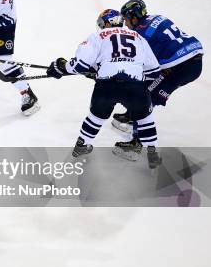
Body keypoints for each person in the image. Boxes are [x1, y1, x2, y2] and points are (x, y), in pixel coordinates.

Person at [46, 9, 162, 168]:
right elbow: (154, 71)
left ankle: (81, 145)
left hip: (106, 85)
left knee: (96, 116)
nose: (101, 27)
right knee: (145, 117)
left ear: (108, 22)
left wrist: (61, 67)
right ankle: (152, 152)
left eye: (102, 23)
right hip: (135, 85)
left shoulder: (98, 36)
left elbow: (79, 64)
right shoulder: (138, 37)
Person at [112, 0, 204, 155]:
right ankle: (132, 115)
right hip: (192, 58)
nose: (126, 24)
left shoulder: (141, 35)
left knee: (143, 97)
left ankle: (137, 143)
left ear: (134, 17)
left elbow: (143, 65)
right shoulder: (156, 17)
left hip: (181, 67)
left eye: (127, 19)